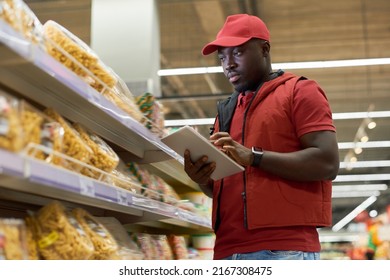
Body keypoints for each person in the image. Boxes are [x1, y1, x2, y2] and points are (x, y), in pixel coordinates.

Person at [183, 14, 339, 260]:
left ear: (264, 49)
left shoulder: (300, 91)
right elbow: (223, 188)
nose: (228, 64)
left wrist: (254, 156)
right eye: (222, 57)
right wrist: (201, 178)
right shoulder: (226, 111)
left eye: (237, 53)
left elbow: (327, 162)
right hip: (226, 250)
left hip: (284, 249)